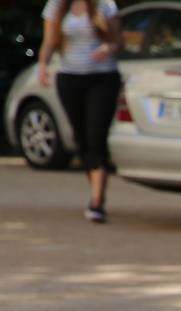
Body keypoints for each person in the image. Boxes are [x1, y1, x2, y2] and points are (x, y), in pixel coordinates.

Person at [38, 0, 122, 223]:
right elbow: (49, 40)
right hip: (69, 77)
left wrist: (107, 46)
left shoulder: (105, 5)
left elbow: (117, 41)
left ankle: (97, 201)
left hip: (102, 77)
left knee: (96, 135)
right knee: (81, 137)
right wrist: (43, 66)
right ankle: (95, 181)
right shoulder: (56, 6)